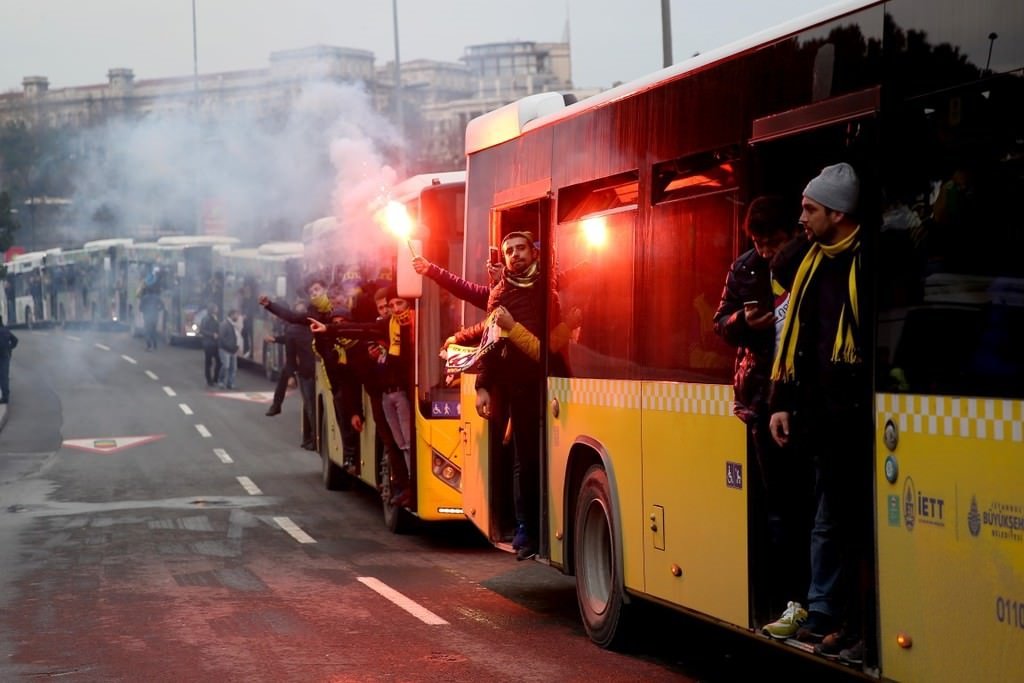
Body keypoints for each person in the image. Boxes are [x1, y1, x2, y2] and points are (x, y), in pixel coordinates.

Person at [766, 163, 872, 666]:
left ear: (839, 212)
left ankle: (851, 623)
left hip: (854, 424)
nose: (800, 218)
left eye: (810, 209)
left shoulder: (865, 263)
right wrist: (780, 403)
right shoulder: (811, 262)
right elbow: (795, 335)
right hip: (821, 423)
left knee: (850, 529)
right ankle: (830, 616)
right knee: (829, 524)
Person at [712, 196, 811, 631]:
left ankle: (808, 600)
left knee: (807, 505)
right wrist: (742, 323)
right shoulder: (745, 268)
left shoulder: (808, 262)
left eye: (773, 241)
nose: (767, 250)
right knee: (779, 507)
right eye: (759, 242)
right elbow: (720, 322)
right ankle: (788, 597)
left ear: (791, 233)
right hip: (760, 401)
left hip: (806, 397)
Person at [472, 231, 567, 561]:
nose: (515, 255)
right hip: (521, 388)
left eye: (520, 248)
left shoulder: (551, 288)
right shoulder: (499, 296)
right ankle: (527, 528)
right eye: (509, 251)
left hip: (559, 384)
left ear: (534, 252)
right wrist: (482, 386)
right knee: (525, 461)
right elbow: (491, 342)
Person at [310, 285, 414, 506]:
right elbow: (359, 331)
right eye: (386, 306)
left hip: (404, 392)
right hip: (384, 395)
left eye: (396, 304)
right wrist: (328, 330)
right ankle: (405, 487)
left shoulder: (412, 325)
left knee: (406, 444)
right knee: (398, 442)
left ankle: (410, 487)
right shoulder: (380, 328)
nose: (391, 309)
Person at [267, 301, 317, 449]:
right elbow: (290, 352)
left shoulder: (297, 330)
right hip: (313, 371)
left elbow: (290, 357)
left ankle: (277, 405)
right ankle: (311, 438)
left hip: (308, 372)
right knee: (310, 406)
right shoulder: (311, 326)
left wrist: (291, 376)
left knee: (309, 406)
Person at [264, 300, 305, 417]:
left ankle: (276, 405)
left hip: (303, 356)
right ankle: (276, 405)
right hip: (295, 356)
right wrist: (275, 339)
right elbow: (288, 339)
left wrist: (275, 339)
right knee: (284, 377)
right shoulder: (288, 323)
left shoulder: (296, 323)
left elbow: (289, 340)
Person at [218, 309, 242, 389]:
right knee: (226, 366)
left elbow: (237, 336)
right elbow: (221, 337)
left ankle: (230, 383)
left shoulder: (234, 324)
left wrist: (236, 347)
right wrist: (229, 346)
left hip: (233, 350)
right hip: (225, 349)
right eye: (236, 315)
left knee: (233, 368)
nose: (237, 317)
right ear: (231, 315)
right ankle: (221, 381)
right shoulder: (225, 324)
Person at [199, 303, 222, 387]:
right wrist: (212, 334)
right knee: (208, 362)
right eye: (216, 308)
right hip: (208, 344)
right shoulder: (206, 319)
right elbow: (202, 330)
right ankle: (209, 380)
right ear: (212, 309)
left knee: (219, 361)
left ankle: (215, 378)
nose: (217, 309)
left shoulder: (215, 317)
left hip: (215, 343)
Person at [0, 316, 19, 404]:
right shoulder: (5, 330)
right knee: (4, 376)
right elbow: (15, 340)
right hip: (5, 356)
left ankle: (4, 396)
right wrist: (10, 348)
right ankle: (5, 396)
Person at [139, 286, 163, 351]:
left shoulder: (144, 298)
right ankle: (155, 345)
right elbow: (162, 306)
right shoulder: (157, 297)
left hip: (147, 317)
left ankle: (148, 346)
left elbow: (140, 308)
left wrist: (144, 311)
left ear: (147, 291)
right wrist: (158, 310)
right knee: (154, 331)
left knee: (147, 331)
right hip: (155, 316)